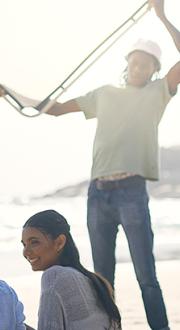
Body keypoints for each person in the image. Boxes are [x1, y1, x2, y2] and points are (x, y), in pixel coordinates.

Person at [0, 1, 180, 329]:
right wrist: (10, 93)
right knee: (102, 278)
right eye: (135, 62)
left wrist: (163, 16)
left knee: (146, 276)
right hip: (99, 193)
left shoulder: (158, 92)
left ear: (154, 69)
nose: (139, 68)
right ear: (127, 65)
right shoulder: (105, 94)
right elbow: (51, 108)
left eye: (146, 64)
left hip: (131, 191)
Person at [21, 209, 121, 330]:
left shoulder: (54, 275)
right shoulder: (94, 280)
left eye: (34, 242)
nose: (26, 252)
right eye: (24, 244)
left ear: (59, 242)